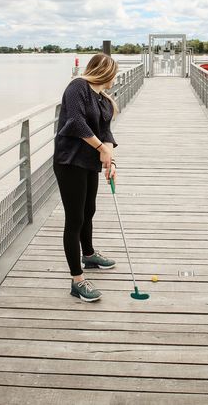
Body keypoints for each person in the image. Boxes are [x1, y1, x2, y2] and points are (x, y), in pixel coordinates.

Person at [53, 53, 119, 302]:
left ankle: (88, 255)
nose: (115, 78)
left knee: (88, 210)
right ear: (106, 72)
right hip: (69, 162)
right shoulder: (77, 87)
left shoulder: (102, 98)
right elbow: (76, 123)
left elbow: (106, 132)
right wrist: (101, 149)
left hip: (88, 163)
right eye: (114, 73)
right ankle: (77, 280)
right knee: (75, 218)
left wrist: (109, 159)